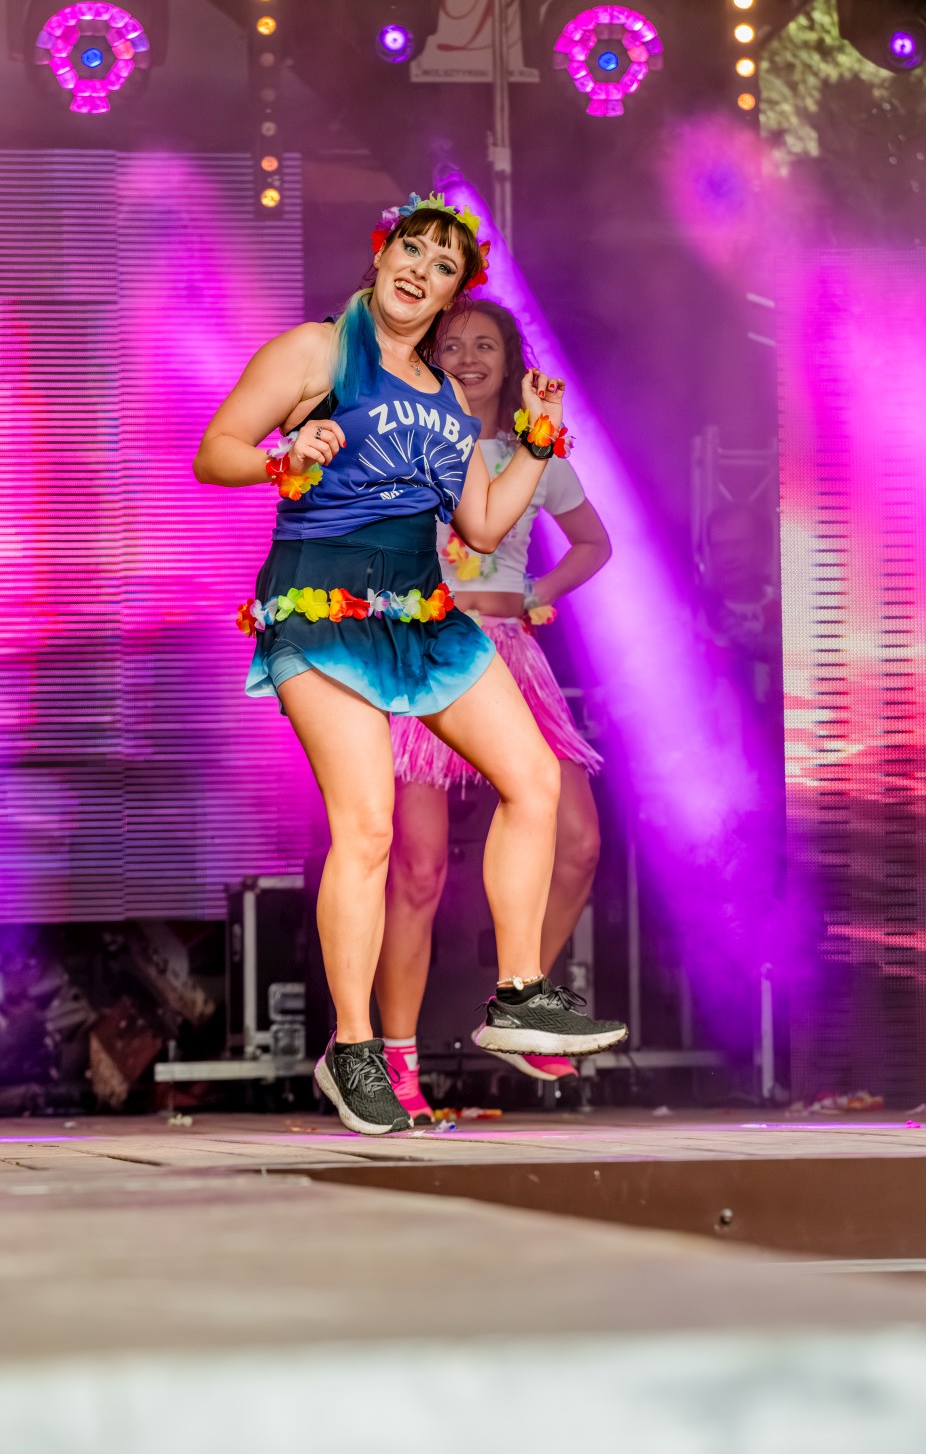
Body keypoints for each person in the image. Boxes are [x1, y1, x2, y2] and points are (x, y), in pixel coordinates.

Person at [194, 193, 627, 1134]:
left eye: (442, 266)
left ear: (450, 291)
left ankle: (519, 994)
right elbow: (214, 451)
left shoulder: (444, 398)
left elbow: (483, 524)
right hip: (322, 611)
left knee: (534, 781)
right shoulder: (317, 351)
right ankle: (354, 1049)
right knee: (370, 831)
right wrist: (281, 458)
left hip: (423, 616)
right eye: (412, 251)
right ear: (382, 253)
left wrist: (539, 438)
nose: (420, 271)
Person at [377, 301, 612, 1122]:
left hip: (511, 656)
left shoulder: (533, 452)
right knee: (417, 868)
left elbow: (594, 542)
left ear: (510, 361)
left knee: (578, 843)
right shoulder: (405, 444)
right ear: (429, 356)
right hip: (429, 654)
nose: (469, 357)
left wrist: (537, 592)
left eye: (485, 345)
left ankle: (518, 1004)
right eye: (453, 345)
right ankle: (394, 1062)